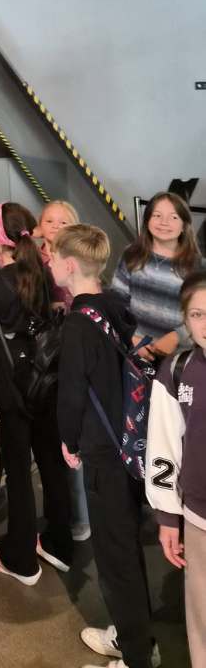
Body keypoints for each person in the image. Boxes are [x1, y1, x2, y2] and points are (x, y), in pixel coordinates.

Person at [52, 224, 157, 668]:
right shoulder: (115, 305)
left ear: (69, 266)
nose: (49, 263)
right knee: (126, 546)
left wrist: (68, 440)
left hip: (103, 450)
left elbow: (71, 393)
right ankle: (135, 635)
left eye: (53, 257)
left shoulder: (79, 324)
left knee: (115, 557)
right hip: (131, 441)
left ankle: (135, 655)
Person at [0, 201, 73, 585]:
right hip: (48, 383)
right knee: (51, 464)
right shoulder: (45, 275)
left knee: (18, 471)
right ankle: (59, 544)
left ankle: (20, 558)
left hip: (12, 392)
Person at [146, 269, 206, 668]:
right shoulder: (178, 370)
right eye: (198, 315)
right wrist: (168, 516)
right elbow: (163, 447)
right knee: (202, 616)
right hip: (200, 518)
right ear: (185, 319)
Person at [36, 199, 90, 541]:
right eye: (50, 221)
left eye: (63, 221)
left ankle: (81, 517)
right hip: (41, 367)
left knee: (71, 440)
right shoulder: (31, 261)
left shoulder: (78, 260)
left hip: (68, 359)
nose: (56, 227)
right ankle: (58, 514)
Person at [111, 191, 202, 361]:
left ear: (184, 225)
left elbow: (202, 313)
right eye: (157, 215)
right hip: (134, 350)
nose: (164, 222)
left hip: (179, 357)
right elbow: (117, 302)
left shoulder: (197, 266)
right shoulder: (132, 255)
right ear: (147, 221)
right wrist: (130, 336)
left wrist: (177, 336)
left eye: (173, 217)